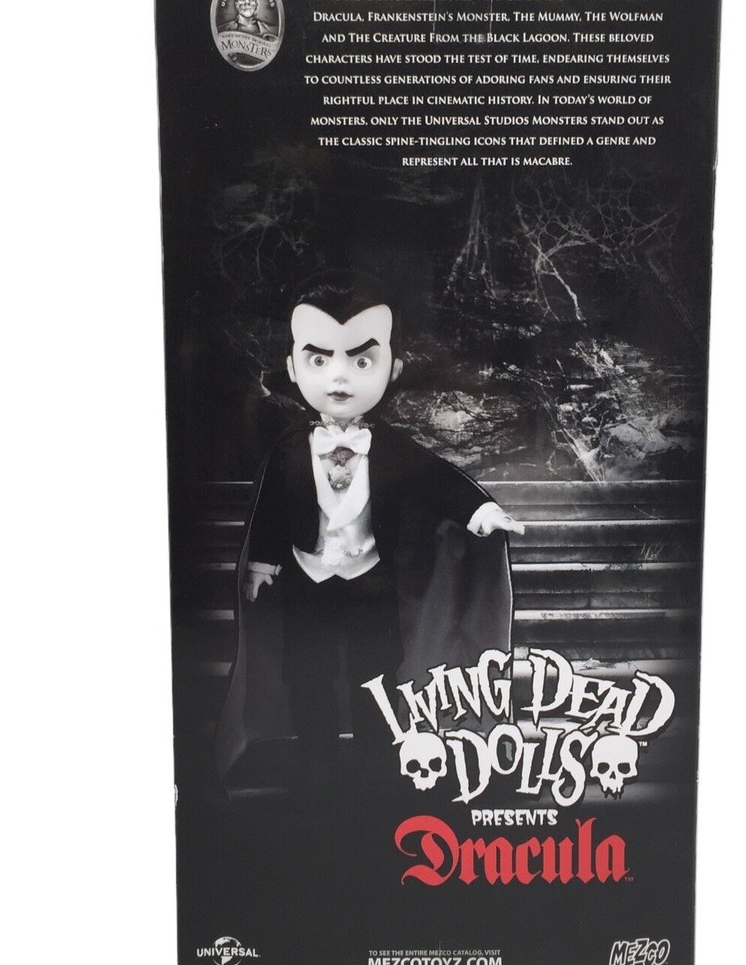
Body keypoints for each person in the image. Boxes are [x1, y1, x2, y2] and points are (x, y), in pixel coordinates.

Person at [215, 274, 524, 789]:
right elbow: (269, 506)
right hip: (306, 577)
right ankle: (316, 768)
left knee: (377, 675)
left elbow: (441, 480)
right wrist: (263, 562)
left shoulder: (394, 449)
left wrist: (482, 510)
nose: (339, 377)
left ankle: (378, 768)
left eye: (362, 361)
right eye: (319, 360)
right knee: (306, 672)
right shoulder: (288, 451)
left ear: (392, 368)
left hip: (373, 580)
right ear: (293, 367)